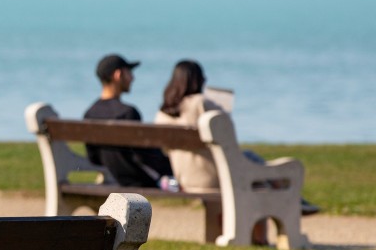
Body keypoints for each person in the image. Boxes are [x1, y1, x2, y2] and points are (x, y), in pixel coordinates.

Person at [154, 59, 320, 214]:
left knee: (254, 168)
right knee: (251, 161)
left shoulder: (162, 114)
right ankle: (291, 198)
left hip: (187, 181)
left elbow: (165, 150)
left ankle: (290, 199)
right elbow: (227, 132)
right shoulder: (200, 102)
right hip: (216, 179)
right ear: (197, 80)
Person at [83, 53, 173, 187]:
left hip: (114, 177)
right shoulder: (128, 112)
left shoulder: (90, 113)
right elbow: (145, 157)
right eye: (129, 72)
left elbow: (94, 158)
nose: (132, 78)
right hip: (138, 180)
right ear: (118, 75)